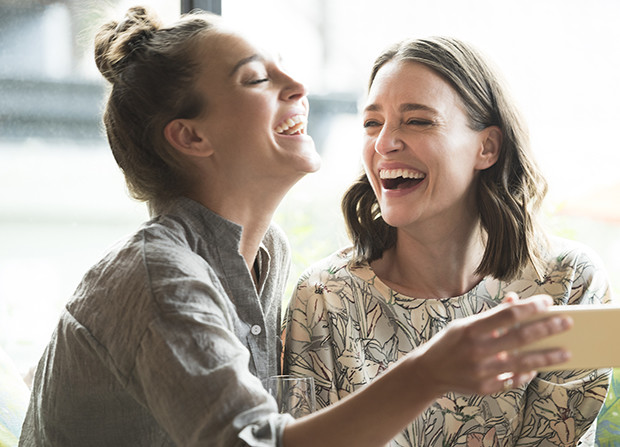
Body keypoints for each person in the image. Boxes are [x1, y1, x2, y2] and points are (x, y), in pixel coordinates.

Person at [19, 8, 573, 447]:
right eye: (258, 78)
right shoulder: (159, 278)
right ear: (191, 138)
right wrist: (428, 373)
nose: (296, 85)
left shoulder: (265, 256)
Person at [283, 36, 613, 446]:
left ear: (487, 147)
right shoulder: (323, 296)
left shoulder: (569, 283)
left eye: (417, 120)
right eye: (372, 123)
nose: (384, 142)